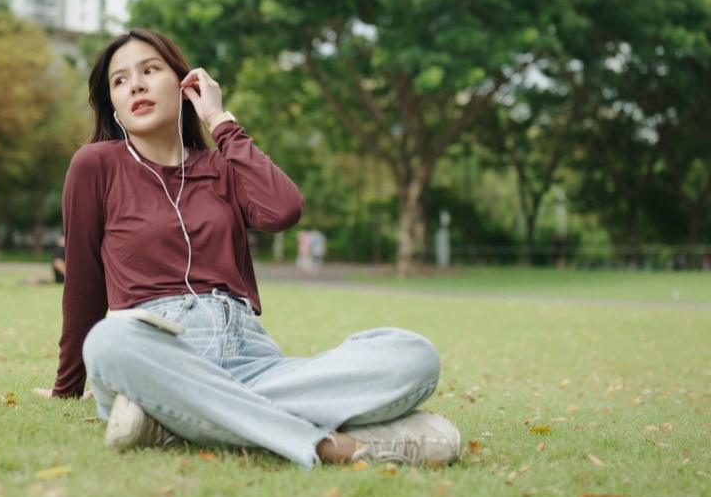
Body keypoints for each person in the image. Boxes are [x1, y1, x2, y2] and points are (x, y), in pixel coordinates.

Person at [46, 29, 460, 469]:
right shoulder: (96, 164)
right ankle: (330, 446)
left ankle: (170, 420)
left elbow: (283, 211)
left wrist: (221, 120)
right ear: (113, 102)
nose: (137, 86)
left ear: (185, 85)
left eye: (150, 70)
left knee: (411, 355)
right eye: (120, 80)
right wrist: (67, 387)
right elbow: (84, 285)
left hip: (251, 356)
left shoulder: (224, 166)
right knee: (109, 341)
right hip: (157, 348)